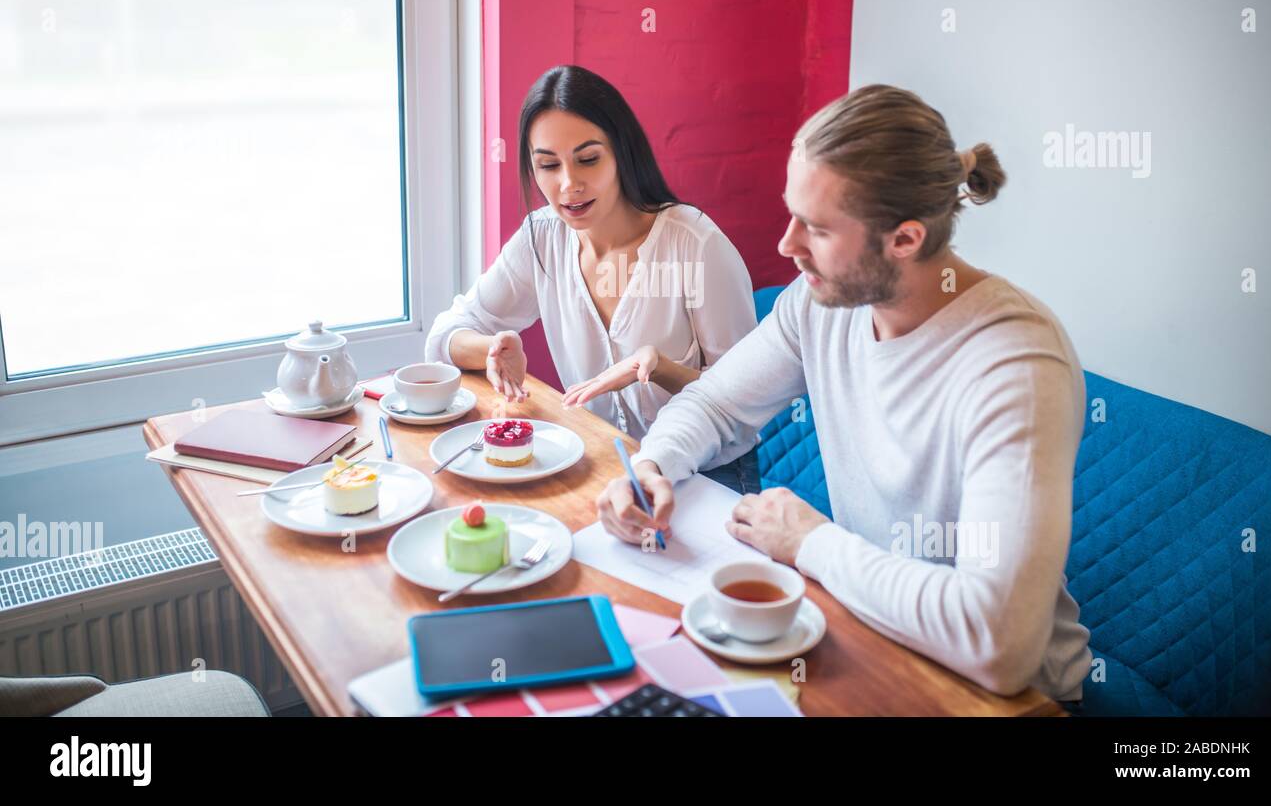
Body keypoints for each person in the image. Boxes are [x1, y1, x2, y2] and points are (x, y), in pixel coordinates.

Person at [597, 84, 1094, 701]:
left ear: (906, 240)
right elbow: (716, 403)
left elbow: (999, 643)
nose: (786, 245)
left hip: (1010, 700)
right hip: (874, 631)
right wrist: (651, 466)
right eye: (791, 213)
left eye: (817, 228)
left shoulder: (1016, 365)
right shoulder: (819, 303)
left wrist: (811, 542)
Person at [425, 65, 761, 491]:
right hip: (602, 463)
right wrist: (490, 348)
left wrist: (660, 370)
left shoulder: (695, 245)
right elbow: (444, 335)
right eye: (548, 165)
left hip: (708, 474)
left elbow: (743, 403)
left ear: (622, 152)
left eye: (588, 159)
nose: (569, 185)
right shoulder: (541, 238)